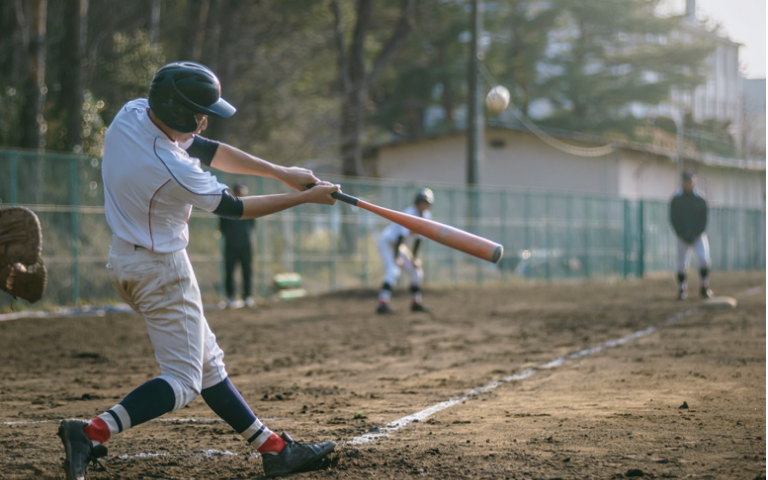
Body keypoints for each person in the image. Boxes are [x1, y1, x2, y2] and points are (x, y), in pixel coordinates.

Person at [57, 61, 340, 480]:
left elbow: (206, 147)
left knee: (208, 365)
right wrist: (303, 198)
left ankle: (274, 449)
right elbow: (236, 208)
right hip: (162, 271)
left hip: (127, 261)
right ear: (174, 110)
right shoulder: (172, 167)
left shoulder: (132, 114)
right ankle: (91, 431)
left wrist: (282, 173)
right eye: (197, 112)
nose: (203, 119)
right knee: (185, 380)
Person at [375, 188, 434, 314]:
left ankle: (415, 303)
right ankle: (382, 303)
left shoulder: (426, 216)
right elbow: (400, 236)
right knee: (393, 271)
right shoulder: (410, 213)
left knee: (416, 272)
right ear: (417, 203)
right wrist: (397, 257)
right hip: (387, 242)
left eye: (427, 203)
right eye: (422, 202)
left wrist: (414, 258)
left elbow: (419, 240)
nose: (424, 205)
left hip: (399, 245)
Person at [670, 170, 713, 299]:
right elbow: (673, 219)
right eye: (686, 181)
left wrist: (696, 234)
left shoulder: (700, 198)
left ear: (694, 181)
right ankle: (682, 289)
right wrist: (681, 233)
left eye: (690, 181)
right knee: (681, 264)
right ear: (682, 182)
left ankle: (704, 287)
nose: (688, 183)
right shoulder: (676, 199)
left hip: (698, 236)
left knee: (704, 259)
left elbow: (704, 219)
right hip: (682, 237)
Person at [219, 182, 256, 308]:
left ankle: (247, 297)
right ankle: (230, 297)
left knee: (247, 271)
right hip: (231, 245)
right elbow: (222, 228)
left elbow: (252, 226)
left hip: (246, 245)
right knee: (229, 272)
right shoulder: (226, 208)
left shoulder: (250, 207)